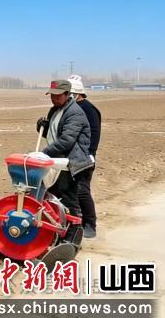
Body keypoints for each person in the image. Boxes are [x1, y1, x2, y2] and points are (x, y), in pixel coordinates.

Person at [36, 79, 93, 244]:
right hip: (57, 162)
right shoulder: (55, 110)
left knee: (70, 200)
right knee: (50, 197)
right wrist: (42, 126)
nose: (53, 99)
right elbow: (52, 134)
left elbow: (66, 141)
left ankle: (73, 238)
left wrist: (43, 154)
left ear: (68, 94)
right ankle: (54, 232)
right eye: (51, 95)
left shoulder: (75, 113)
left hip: (70, 163)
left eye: (57, 96)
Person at [67, 74, 102, 239]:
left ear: (76, 93)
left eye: (69, 94)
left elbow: (94, 133)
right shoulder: (69, 109)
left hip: (84, 158)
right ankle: (75, 222)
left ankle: (90, 225)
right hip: (69, 157)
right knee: (67, 191)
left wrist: (90, 153)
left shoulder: (89, 109)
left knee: (81, 191)